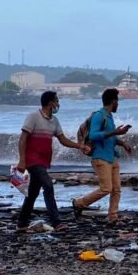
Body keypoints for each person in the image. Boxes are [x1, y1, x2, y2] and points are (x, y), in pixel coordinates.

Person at [16, 90, 89, 232]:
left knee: (32, 193)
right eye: (57, 101)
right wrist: (22, 160)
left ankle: (22, 223)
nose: (58, 104)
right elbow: (23, 138)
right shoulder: (33, 117)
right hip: (32, 160)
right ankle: (56, 222)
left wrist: (79, 146)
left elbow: (62, 139)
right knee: (48, 185)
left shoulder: (54, 121)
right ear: (50, 102)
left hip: (43, 161)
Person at [71, 88, 132, 225]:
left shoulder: (109, 117)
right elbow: (93, 135)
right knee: (106, 188)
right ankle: (79, 203)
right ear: (113, 101)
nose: (118, 104)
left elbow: (109, 138)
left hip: (112, 157)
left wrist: (123, 143)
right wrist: (114, 132)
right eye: (117, 101)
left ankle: (113, 217)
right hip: (100, 157)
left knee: (116, 189)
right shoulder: (99, 116)